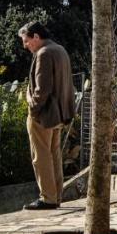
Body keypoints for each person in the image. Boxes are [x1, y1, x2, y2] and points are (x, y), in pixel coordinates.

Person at [18, 21, 75, 210]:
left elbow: (42, 90)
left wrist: (33, 110)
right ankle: (55, 196)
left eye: (26, 41)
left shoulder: (44, 53)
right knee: (53, 155)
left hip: (44, 115)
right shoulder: (60, 50)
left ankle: (48, 198)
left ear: (36, 37)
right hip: (58, 114)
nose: (25, 45)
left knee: (40, 156)